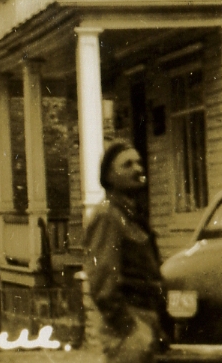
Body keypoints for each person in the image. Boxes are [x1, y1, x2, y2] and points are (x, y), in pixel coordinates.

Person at [85, 140, 165, 363]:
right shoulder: (107, 216)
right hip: (128, 328)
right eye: (127, 165)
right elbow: (102, 282)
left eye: (138, 163)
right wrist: (128, 328)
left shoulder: (131, 216)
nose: (137, 169)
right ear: (109, 177)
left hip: (145, 320)